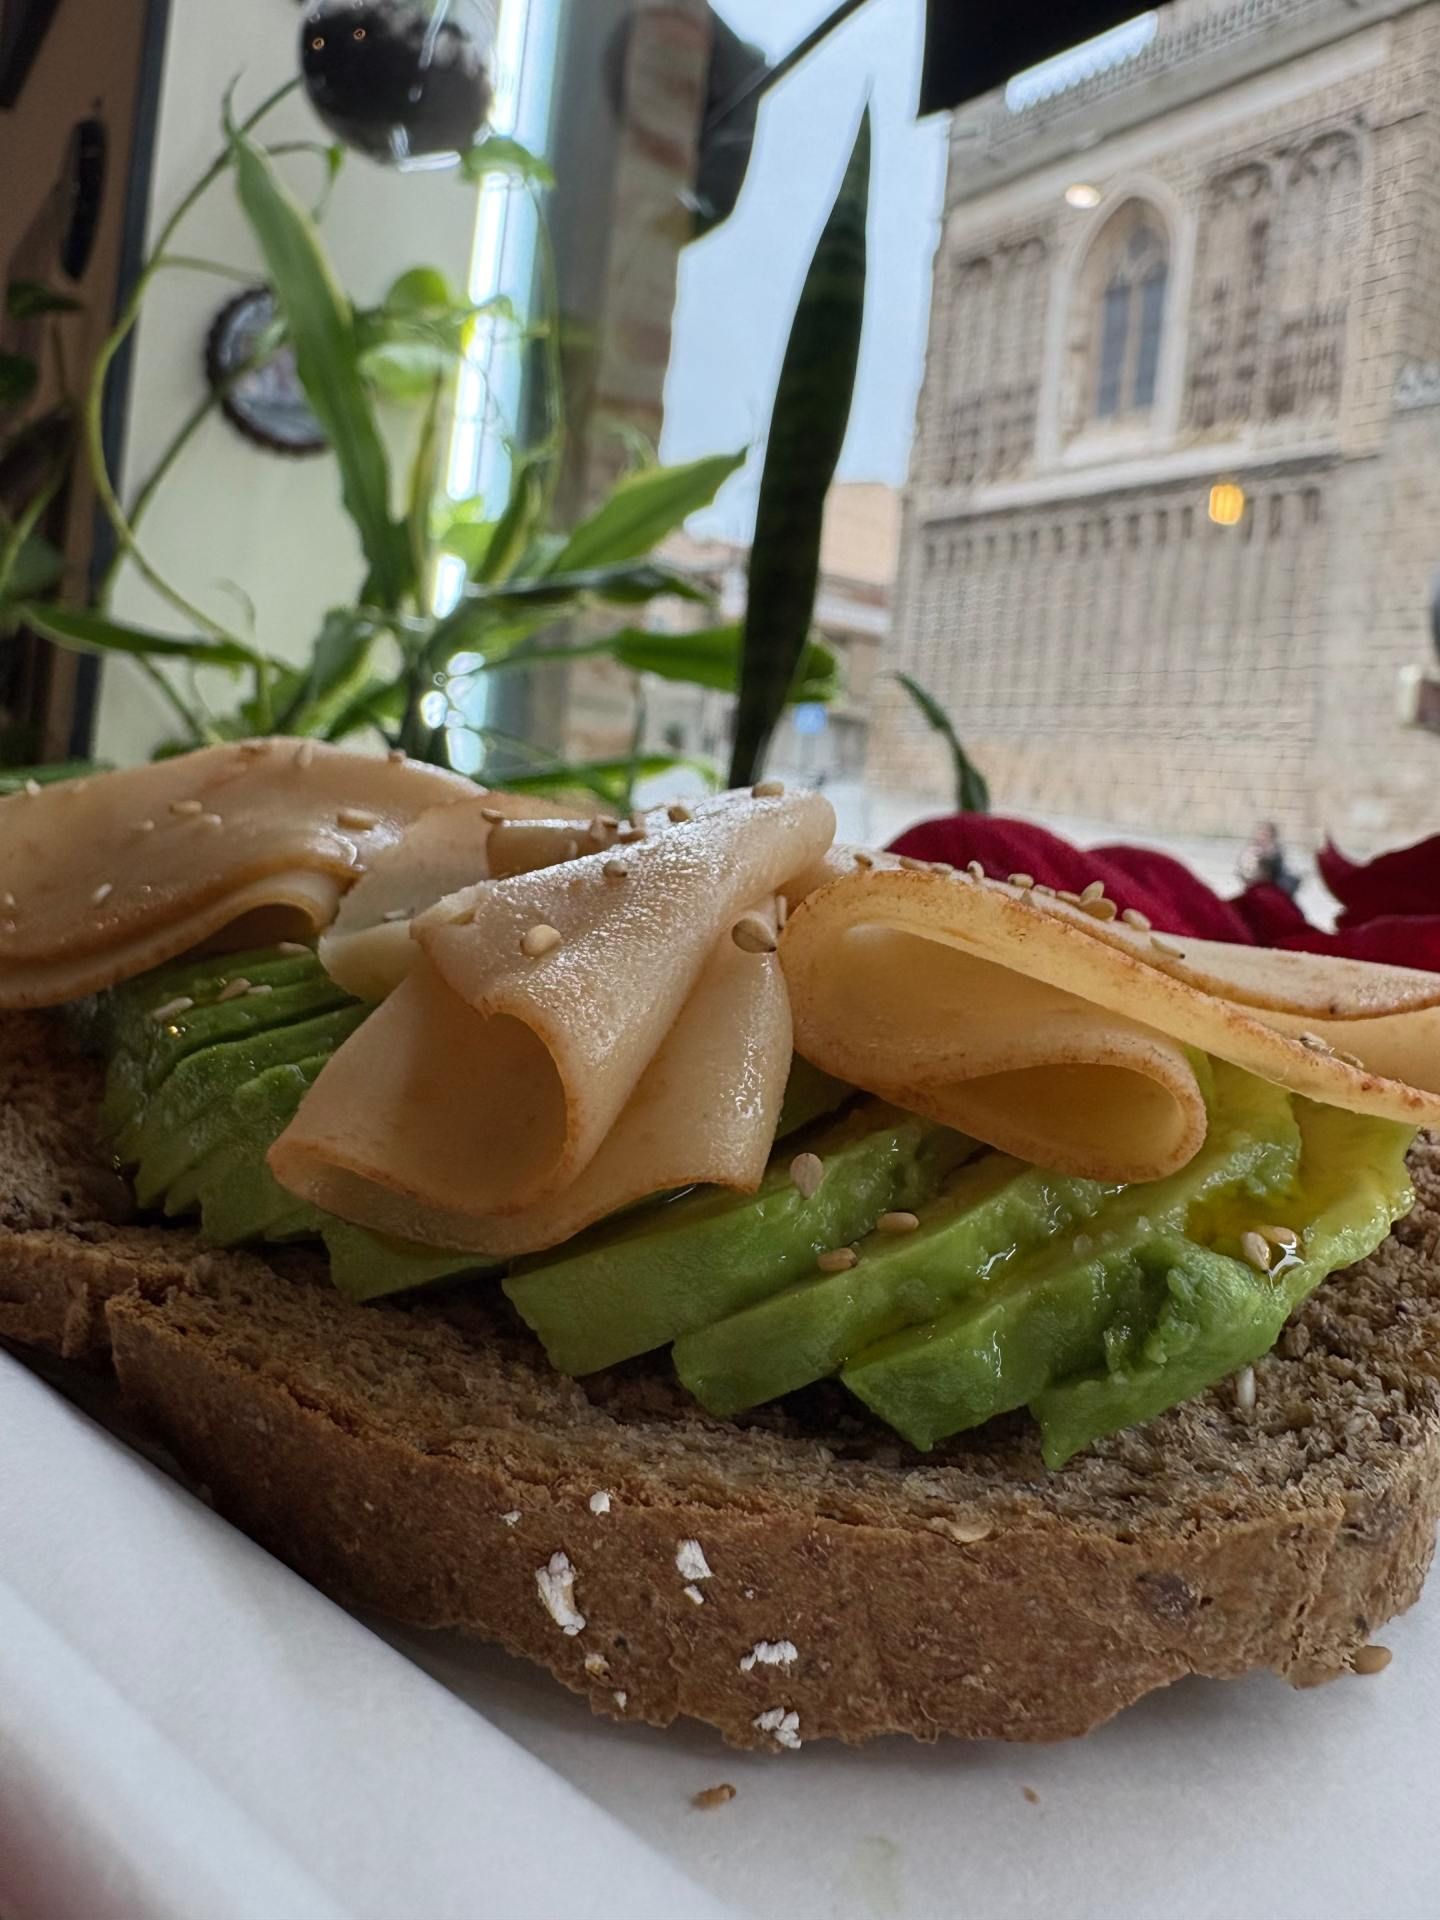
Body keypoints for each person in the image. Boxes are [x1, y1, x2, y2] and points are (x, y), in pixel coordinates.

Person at [1238, 820, 1300, 898]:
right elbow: (1245, 870)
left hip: (1273, 885)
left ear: (1272, 836)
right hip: (1256, 883)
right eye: (1261, 833)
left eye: (1265, 834)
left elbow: (1277, 869)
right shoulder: (1250, 851)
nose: (1262, 837)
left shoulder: (1276, 851)